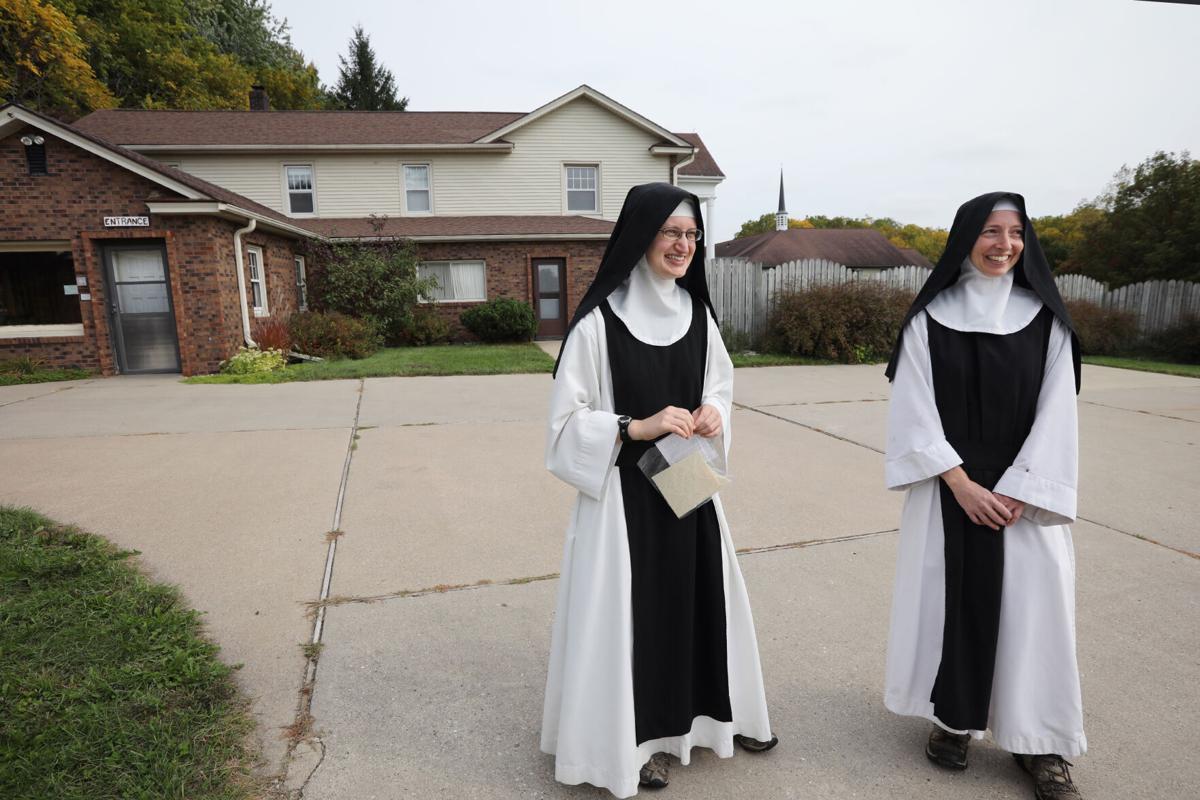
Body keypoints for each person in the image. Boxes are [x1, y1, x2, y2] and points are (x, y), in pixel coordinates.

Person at [541, 182, 776, 797]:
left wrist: (715, 414)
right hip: (621, 500)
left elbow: (720, 386)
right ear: (641, 235)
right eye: (671, 232)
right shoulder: (597, 323)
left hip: (688, 484)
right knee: (632, 619)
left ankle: (706, 720)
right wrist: (633, 426)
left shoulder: (699, 316)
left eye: (692, 235)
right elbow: (564, 428)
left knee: (701, 601)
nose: (683, 245)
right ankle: (638, 743)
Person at [882, 192, 1086, 799]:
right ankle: (954, 719)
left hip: (1022, 500)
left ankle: (1041, 742)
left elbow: (1058, 414)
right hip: (952, 493)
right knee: (948, 606)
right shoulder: (927, 319)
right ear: (967, 238)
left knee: (1034, 614)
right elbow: (913, 413)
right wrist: (962, 484)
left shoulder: (1046, 320)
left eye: (1016, 233)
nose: (1004, 245)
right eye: (991, 232)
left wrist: (1022, 488)